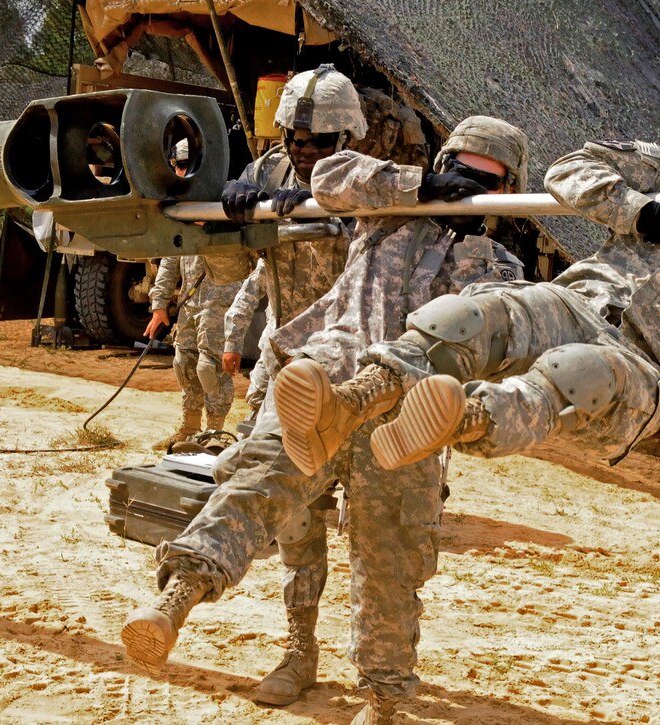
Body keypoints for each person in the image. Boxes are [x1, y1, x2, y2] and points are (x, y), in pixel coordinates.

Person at [121, 115, 530, 724]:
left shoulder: (494, 269)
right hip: (321, 385)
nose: (468, 187)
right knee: (258, 487)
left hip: (403, 421)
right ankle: (182, 605)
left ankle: (385, 699)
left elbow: (499, 348)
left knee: (388, 560)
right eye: (460, 170)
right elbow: (335, 173)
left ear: (507, 192)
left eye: (484, 180)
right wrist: (420, 186)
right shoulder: (384, 214)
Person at [273, 97, 660, 494]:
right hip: (577, 305)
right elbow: (568, 170)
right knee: (477, 313)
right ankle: (350, 403)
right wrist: (644, 212)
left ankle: (459, 420)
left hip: (651, 376)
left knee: (576, 372)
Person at [218, 65, 363, 707]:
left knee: (379, 535)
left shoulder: (370, 183)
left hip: (363, 376)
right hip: (287, 373)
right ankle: (300, 651)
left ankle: (382, 672)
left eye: (319, 143)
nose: (303, 153)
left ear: (348, 136)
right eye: (294, 139)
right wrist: (233, 215)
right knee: (295, 519)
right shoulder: (267, 172)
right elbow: (226, 265)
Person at [148, 141, 253, 446]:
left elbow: (251, 255)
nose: (182, 172)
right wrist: (159, 304)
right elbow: (171, 256)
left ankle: (216, 432)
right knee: (183, 363)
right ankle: (189, 428)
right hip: (191, 301)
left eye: (188, 165)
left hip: (222, 298)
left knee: (211, 367)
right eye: (178, 165)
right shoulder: (180, 206)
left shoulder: (228, 201)